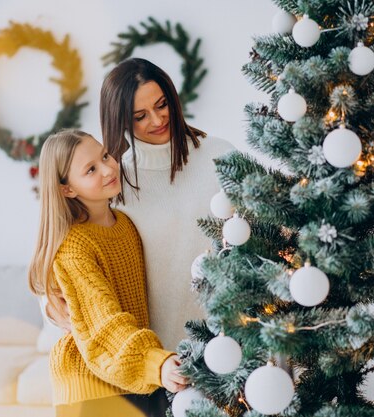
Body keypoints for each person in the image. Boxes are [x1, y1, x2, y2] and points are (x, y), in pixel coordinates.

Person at [28, 129, 187, 417]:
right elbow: (104, 324)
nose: (108, 168)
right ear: (68, 189)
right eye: (91, 169)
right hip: (91, 385)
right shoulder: (74, 247)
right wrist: (155, 363)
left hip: (134, 378)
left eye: (104, 156)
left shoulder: (126, 224)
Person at [99, 58, 235, 350]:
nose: (158, 120)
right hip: (158, 363)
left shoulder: (220, 156)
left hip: (231, 348)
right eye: (140, 116)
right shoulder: (114, 183)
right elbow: (76, 246)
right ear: (120, 120)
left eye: (162, 105)